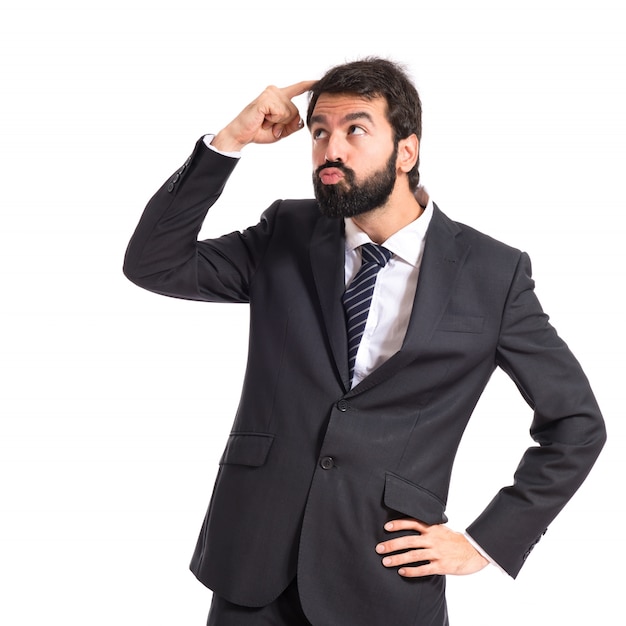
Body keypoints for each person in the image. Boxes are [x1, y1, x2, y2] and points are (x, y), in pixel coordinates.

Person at [123, 57, 606, 625]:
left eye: (356, 129)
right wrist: (228, 143)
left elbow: (576, 423)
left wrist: (486, 543)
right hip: (254, 567)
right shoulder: (286, 232)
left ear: (407, 151)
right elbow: (154, 263)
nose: (331, 149)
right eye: (320, 131)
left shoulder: (491, 274)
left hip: (385, 578)